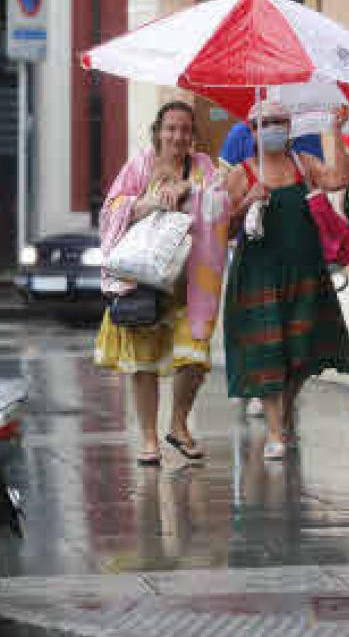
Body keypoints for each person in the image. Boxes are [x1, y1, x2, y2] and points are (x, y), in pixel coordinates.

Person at [95, 101, 230, 466]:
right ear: (158, 131)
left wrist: (189, 190)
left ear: (193, 135)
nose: (178, 136)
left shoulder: (203, 166)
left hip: (190, 282)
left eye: (185, 129)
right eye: (171, 128)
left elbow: (221, 209)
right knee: (143, 365)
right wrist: (154, 200)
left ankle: (178, 423)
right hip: (145, 280)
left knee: (195, 358)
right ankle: (150, 440)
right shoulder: (140, 164)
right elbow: (111, 213)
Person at [222, 101, 349, 460]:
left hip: (305, 271)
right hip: (258, 276)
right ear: (251, 130)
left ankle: (280, 415)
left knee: (302, 351)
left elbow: (339, 179)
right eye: (267, 122)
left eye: (281, 121)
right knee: (268, 353)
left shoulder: (303, 163)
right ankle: (277, 432)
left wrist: (337, 133)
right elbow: (223, 229)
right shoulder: (240, 173)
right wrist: (246, 200)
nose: (275, 128)